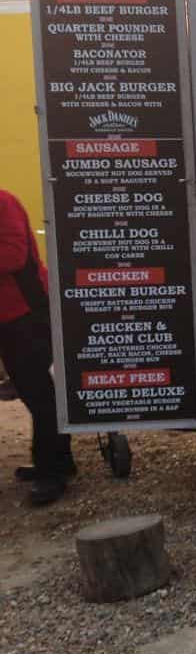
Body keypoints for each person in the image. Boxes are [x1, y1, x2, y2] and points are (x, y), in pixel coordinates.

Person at [0, 189, 73, 505]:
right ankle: (56, 461)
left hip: (24, 313)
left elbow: (14, 254)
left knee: (40, 392)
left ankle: (53, 471)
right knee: (30, 391)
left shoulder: (3, 202)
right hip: (8, 315)